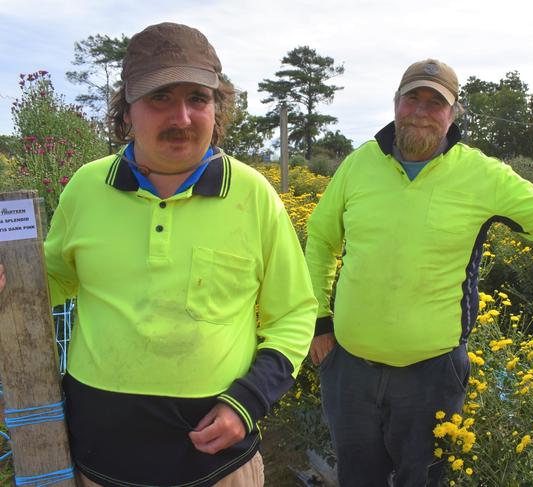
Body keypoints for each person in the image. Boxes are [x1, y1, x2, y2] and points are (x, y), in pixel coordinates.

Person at [305, 58, 533, 487]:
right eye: (413, 98)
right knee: (357, 477)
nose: (422, 111)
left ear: (453, 114)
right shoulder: (359, 165)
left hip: (430, 377)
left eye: (436, 102)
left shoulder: (481, 175)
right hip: (350, 372)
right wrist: (319, 320)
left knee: (424, 480)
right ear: (396, 102)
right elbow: (320, 239)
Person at [1, 22, 317, 487]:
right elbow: (59, 279)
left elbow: (293, 313)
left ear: (217, 108)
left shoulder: (254, 195)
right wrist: (13, 280)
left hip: (219, 468)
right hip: (100, 462)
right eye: (160, 98)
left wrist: (248, 401)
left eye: (197, 99)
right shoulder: (87, 188)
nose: (182, 117)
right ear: (126, 111)